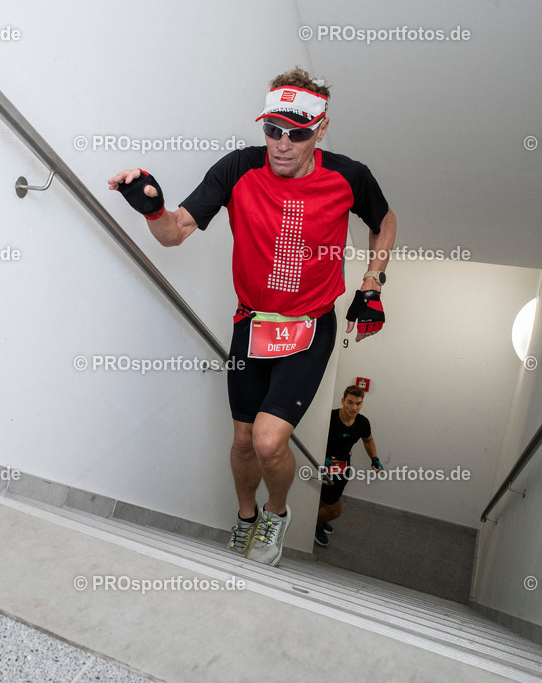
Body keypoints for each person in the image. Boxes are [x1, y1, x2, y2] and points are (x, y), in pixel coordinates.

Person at [108, 67, 396, 566]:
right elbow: (175, 232)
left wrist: (372, 282)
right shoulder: (239, 168)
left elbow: (384, 220)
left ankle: (277, 514)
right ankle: (245, 519)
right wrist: (151, 209)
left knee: (268, 440)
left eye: (298, 133)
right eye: (272, 130)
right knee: (243, 440)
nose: (282, 145)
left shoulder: (349, 176)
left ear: (320, 130)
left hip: (310, 326)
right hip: (252, 323)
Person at [315, 385, 383, 547]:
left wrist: (374, 458)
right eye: (350, 402)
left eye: (358, 403)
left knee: (329, 499)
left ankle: (321, 520)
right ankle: (313, 525)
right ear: (343, 401)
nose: (354, 407)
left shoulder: (362, 422)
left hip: (344, 465)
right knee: (335, 510)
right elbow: (314, 438)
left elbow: (368, 440)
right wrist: (321, 457)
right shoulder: (330, 417)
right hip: (325, 465)